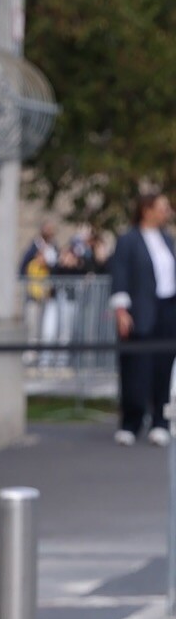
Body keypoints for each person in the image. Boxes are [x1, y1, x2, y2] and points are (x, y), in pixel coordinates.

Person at [107, 183, 176, 447]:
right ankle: (131, 423)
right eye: (162, 207)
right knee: (136, 368)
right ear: (147, 210)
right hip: (140, 313)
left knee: (163, 367)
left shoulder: (167, 239)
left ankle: (160, 422)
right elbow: (120, 274)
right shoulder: (129, 240)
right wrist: (121, 310)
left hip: (167, 310)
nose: (167, 212)